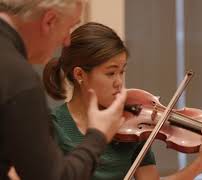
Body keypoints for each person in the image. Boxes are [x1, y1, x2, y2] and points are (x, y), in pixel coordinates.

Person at [43, 22, 202, 180]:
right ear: (79, 75)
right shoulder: (52, 127)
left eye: (122, 71)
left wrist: (201, 163)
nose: (119, 82)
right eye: (110, 73)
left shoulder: (132, 124)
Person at [0, 1, 127, 180]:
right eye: (69, 27)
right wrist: (98, 135)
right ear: (49, 21)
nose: (66, 41)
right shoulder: (18, 78)